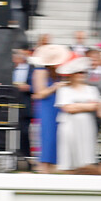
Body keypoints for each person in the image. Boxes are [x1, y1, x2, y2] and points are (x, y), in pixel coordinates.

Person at [55, 57, 101, 172]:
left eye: (84, 72)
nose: (82, 75)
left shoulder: (92, 89)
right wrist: (85, 105)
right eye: (79, 72)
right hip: (69, 124)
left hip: (86, 124)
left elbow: (95, 106)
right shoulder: (63, 90)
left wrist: (76, 105)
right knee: (69, 149)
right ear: (72, 74)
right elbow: (67, 108)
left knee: (86, 149)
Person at [31, 44, 71, 174]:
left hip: (58, 106)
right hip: (46, 106)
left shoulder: (60, 71)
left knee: (58, 135)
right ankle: (44, 166)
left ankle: (56, 165)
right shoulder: (40, 71)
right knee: (47, 136)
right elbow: (39, 93)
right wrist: (55, 87)